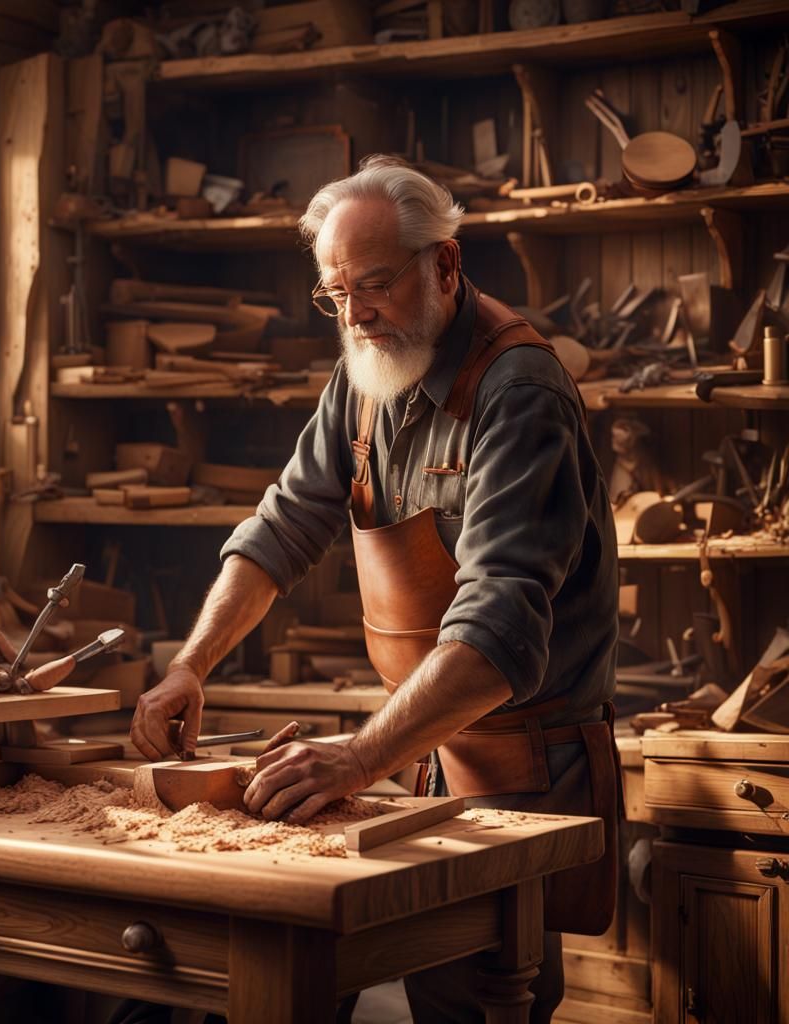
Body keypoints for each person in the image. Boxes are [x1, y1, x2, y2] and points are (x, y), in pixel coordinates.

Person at [135, 153, 619, 1022]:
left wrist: (358, 756)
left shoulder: (517, 392)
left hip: (517, 759)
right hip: (419, 746)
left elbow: (498, 635)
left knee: (471, 993)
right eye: (336, 292)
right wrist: (190, 665)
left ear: (444, 265)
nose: (356, 314)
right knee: (301, 959)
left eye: (376, 284)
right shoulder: (366, 375)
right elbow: (282, 528)